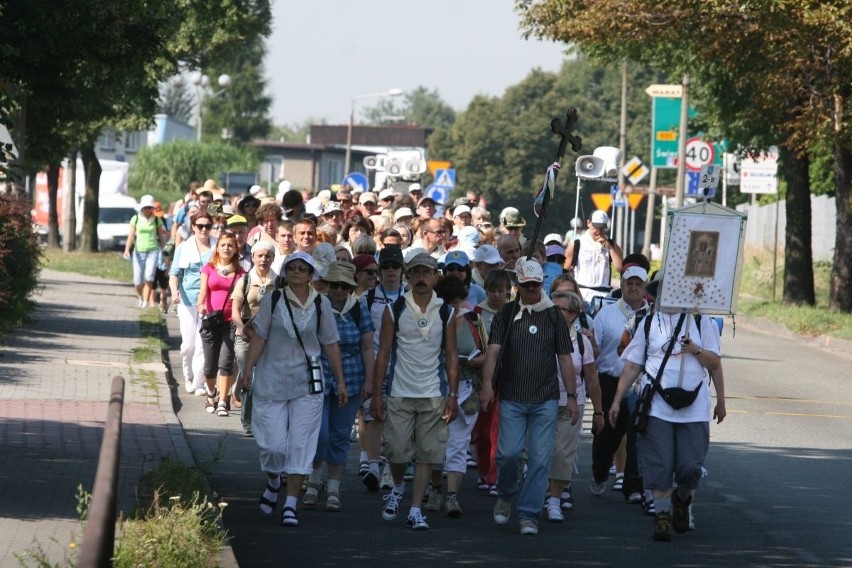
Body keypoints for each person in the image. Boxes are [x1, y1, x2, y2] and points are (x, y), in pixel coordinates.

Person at [241, 252, 347, 528]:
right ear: (286, 272)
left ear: (311, 274)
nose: (298, 272)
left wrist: (341, 381)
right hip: (271, 380)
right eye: (293, 268)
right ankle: (274, 480)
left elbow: (331, 344)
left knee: (301, 445)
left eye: (303, 268)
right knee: (274, 447)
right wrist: (247, 370)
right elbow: (260, 336)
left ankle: (290, 505)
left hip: (307, 385)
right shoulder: (273, 300)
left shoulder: (322, 304)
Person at [608, 295, 724, 541]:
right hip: (657, 406)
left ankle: (681, 499)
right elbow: (632, 366)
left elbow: (714, 363)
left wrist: (697, 350)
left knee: (691, 466)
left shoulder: (703, 322)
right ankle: (661, 518)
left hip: (694, 407)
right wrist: (617, 400)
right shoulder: (648, 323)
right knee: (660, 463)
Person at [479, 259, 579, 536]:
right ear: (518, 285)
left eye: (536, 285)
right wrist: (487, 384)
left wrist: (570, 396)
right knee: (508, 454)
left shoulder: (554, 316)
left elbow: (565, 358)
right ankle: (506, 492)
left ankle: (529, 514)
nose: (533, 290)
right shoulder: (506, 314)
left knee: (539, 459)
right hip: (511, 396)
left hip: (545, 399)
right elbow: (494, 352)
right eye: (527, 285)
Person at [371, 253, 459, 531]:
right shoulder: (393, 309)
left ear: (436, 277)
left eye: (427, 272)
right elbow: (383, 353)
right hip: (399, 391)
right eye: (416, 273)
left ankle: (416, 508)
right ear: (408, 277)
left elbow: (453, 356)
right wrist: (376, 394)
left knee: (426, 455)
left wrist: (453, 395)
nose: (421, 278)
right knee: (396, 452)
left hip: (433, 392)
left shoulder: (447, 311)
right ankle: (397, 487)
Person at [303, 262, 374, 512]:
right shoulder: (317, 306)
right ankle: (313, 480)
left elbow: (367, 346)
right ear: (328, 286)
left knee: (340, 434)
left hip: (353, 377)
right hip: (320, 375)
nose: (339, 290)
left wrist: (369, 380)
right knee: (318, 432)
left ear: (351, 287)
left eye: (344, 286)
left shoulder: (359, 309)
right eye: (335, 285)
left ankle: (333, 487)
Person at [426, 275, 486, 518]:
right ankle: (436, 489)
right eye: (450, 303)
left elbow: (486, 354)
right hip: (436, 388)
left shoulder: (474, 320)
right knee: (433, 444)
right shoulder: (433, 321)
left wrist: (472, 362)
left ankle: (452, 496)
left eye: (458, 301)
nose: (456, 307)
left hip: (467, 389)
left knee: (458, 444)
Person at [590, 265, 651, 504]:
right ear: (622, 284)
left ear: (645, 288)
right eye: (629, 283)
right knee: (606, 437)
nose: (633, 287)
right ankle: (600, 472)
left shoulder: (653, 316)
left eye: (638, 284)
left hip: (641, 385)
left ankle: (633, 486)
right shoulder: (606, 314)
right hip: (610, 382)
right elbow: (594, 352)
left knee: (637, 435)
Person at [546, 291, 604, 522]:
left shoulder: (581, 342)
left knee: (562, 454)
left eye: (560, 309)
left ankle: (554, 500)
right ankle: (540, 492)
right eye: (552, 309)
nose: (555, 314)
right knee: (538, 454)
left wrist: (598, 412)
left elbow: (591, 379)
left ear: (573, 315)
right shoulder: (539, 335)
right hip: (540, 403)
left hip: (570, 405)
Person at [358, 246, 406, 489]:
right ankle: (374, 467)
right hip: (376, 365)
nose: (390, 271)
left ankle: (389, 469)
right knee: (374, 416)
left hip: (404, 369)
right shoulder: (366, 298)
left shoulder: (411, 296)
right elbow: (362, 336)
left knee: (397, 421)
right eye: (385, 267)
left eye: (394, 266)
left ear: (402, 269)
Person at [471, 269, 513, 496]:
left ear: (508, 292)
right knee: (482, 432)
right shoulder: (477, 313)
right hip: (481, 379)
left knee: (499, 429)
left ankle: (494, 475)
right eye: (492, 290)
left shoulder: (515, 312)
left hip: (507, 379)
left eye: (501, 291)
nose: (496, 295)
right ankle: (483, 470)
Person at [231, 240, 278, 436]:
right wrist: (241, 328)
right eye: (260, 255)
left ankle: (265, 421)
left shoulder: (280, 281)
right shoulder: (244, 280)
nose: (263, 259)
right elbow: (235, 310)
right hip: (246, 335)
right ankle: (248, 422)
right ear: (253, 257)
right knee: (250, 376)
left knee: (265, 379)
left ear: (273, 259)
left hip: (270, 335)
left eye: (267, 256)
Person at [196, 232, 246, 417]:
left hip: (230, 322)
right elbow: (203, 292)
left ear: (235, 249)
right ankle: (211, 395)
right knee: (209, 366)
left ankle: (223, 401)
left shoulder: (241, 273)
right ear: (217, 247)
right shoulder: (208, 268)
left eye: (230, 245)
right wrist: (201, 305)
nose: (226, 248)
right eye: (223, 245)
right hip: (211, 321)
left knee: (226, 363)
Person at [170, 210, 216, 396]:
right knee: (188, 346)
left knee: (201, 345)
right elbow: (174, 274)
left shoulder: (216, 247)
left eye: (207, 226)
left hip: (209, 302)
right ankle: (188, 376)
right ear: (193, 227)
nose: (204, 229)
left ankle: (198, 383)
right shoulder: (184, 247)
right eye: (200, 226)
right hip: (187, 301)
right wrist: (174, 292)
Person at [564, 210, 624, 309]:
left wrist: (610, 248)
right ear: (588, 223)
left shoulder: (611, 244)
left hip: (605, 297)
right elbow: (565, 270)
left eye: (602, 228)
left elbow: (621, 269)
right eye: (595, 227)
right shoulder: (577, 244)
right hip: (583, 296)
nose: (598, 231)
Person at [123, 194, 167, 308]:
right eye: (145, 207)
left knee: (149, 277)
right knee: (137, 281)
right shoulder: (136, 219)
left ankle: (145, 302)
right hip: (138, 252)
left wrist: (165, 251)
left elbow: (161, 237)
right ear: (141, 208)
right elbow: (131, 235)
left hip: (153, 251)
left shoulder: (157, 220)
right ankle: (140, 296)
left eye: (150, 207)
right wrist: (127, 249)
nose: (148, 210)